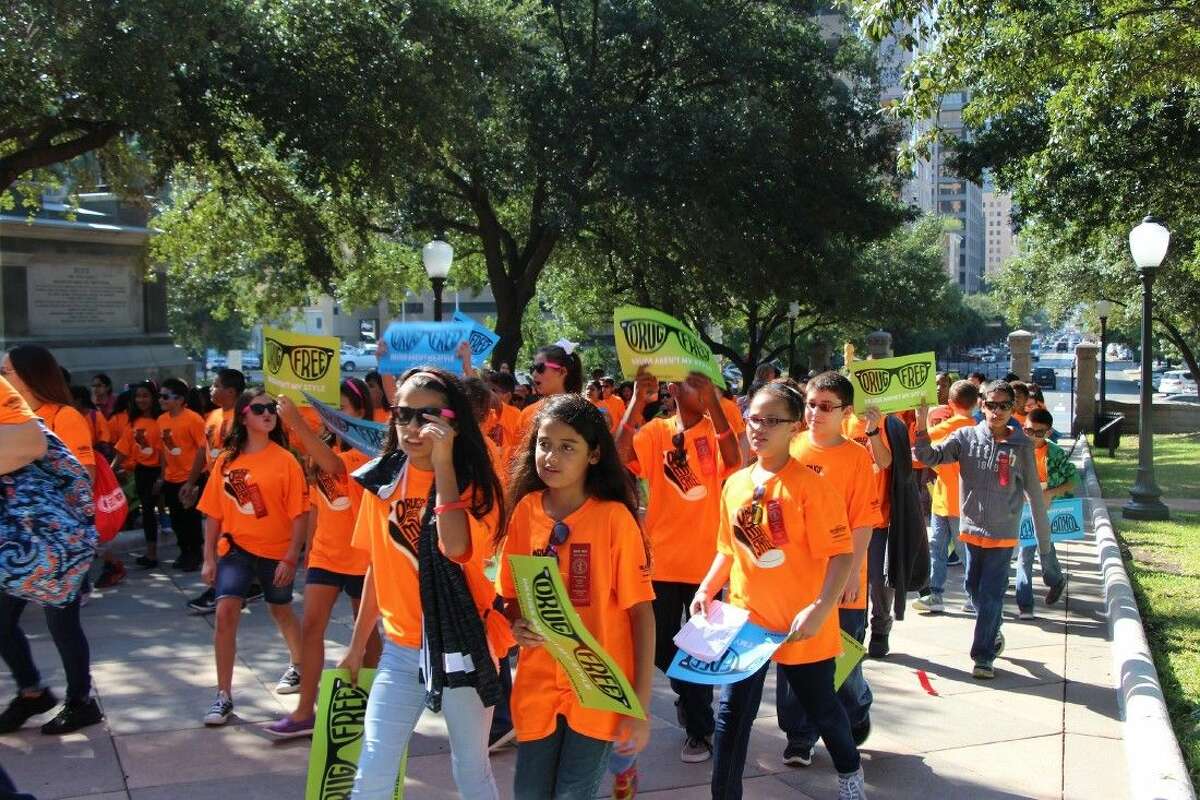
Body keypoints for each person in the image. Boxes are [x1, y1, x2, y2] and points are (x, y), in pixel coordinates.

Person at [339, 368, 511, 799]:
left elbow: (456, 548)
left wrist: (442, 466)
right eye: (403, 415)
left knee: (470, 769)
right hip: (400, 649)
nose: (413, 427)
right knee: (373, 768)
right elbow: (378, 566)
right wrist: (358, 645)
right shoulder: (380, 481)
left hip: (463, 644)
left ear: (453, 420)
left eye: (428, 415)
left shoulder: (478, 483)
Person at [691, 379, 865, 799]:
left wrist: (822, 606)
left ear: (794, 427)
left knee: (823, 709)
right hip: (747, 622)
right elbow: (726, 549)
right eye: (754, 418)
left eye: (773, 421)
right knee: (731, 717)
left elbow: (841, 554)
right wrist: (706, 588)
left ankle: (849, 772)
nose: (760, 428)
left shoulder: (811, 486)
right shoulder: (735, 484)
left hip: (802, 624)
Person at [497, 395, 655, 800]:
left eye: (568, 447)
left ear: (594, 454)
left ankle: (624, 772)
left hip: (598, 687)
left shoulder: (614, 519)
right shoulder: (526, 511)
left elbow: (641, 614)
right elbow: (511, 594)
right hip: (537, 686)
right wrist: (516, 622)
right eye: (544, 444)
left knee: (573, 793)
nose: (551, 456)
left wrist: (639, 707)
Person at [612, 367, 741, 782]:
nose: (699, 388)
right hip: (662, 561)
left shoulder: (721, 421)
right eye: (690, 382)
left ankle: (700, 731)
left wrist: (714, 405)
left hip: (710, 563)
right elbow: (618, 457)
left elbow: (735, 461)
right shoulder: (655, 431)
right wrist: (635, 401)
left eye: (704, 382)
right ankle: (691, 696)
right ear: (671, 389)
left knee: (703, 650)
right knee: (661, 648)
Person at [914, 381, 1069, 679]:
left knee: (991, 593)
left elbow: (1035, 496)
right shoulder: (965, 437)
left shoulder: (1022, 445)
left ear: (1013, 409)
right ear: (981, 405)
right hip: (971, 529)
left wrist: (1045, 545)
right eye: (991, 405)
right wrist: (922, 423)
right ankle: (993, 629)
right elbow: (928, 456)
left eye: (1003, 406)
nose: (997, 411)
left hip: (1003, 533)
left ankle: (983, 656)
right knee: (973, 588)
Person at [777, 372, 882, 767]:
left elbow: (863, 523)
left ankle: (857, 709)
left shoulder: (857, 457)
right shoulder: (790, 448)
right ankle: (798, 737)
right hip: (797, 582)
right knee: (794, 661)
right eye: (810, 404)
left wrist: (853, 574)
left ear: (846, 413)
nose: (815, 413)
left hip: (844, 582)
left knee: (844, 665)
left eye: (825, 406)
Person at [267, 380, 383, 738]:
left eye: (343, 409)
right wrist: (309, 549)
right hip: (325, 557)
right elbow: (318, 502)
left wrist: (297, 424)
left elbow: (333, 467)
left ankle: (373, 704)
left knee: (366, 637)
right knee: (311, 628)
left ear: (360, 412)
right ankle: (305, 711)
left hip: (361, 558)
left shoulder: (368, 450)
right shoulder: (320, 449)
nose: (334, 417)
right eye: (330, 410)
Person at [0, 374, 104, 736]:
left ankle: (81, 701)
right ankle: (32, 692)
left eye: (10, 371)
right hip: (16, 545)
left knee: (62, 623)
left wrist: (79, 529)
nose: (6, 376)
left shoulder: (57, 417)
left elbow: (80, 473)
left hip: (52, 541)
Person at [197, 390, 308, 724]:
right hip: (234, 550)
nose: (268, 413)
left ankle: (299, 665)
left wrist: (291, 557)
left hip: (276, 552)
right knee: (226, 611)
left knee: (280, 609)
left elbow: (300, 514)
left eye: (271, 408)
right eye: (259, 408)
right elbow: (213, 514)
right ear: (243, 416)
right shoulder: (226, 462)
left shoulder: (286, 460)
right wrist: (208, 558)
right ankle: (223, 695)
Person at [188, 369, 256, 614]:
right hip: (213, 481)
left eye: (216, 385)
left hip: (235, 486)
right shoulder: (213, 416)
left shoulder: (244, 418)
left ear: (231, 391)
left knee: (229, 539)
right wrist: (191, 481)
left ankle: (225, 588)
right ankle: (230, 588)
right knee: (218, 536)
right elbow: (202, 450)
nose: (211, 390)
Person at [912, 380, 980, 614]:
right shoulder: (979, 428)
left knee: (938, 549)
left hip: (944, 500)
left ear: (950, 403)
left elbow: (920, 449)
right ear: (977, 402)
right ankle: (973, 596)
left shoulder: (947, 427)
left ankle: (936, 594)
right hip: (965, 501)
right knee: (965, 552)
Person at [1015, 408, 1076, 619]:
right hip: (1023, 510)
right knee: (1025, 554)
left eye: (1038, 433)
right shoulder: (1016, 450)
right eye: (1028, 431)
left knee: (1046, 552)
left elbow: (1073, 480)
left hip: (1047, 510)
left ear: (1049, 433)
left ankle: (1056, 581)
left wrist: (1051, 493)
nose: (1032, 436)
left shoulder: (1055, 453)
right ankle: (1025, 604)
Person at [157, 378, 207, 571]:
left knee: (190, 519)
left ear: (179, 399)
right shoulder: (162, 420)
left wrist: (192, 481)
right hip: (171, 478)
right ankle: (184, 551)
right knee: (177, 519)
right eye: (160, 396)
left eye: (165, 396)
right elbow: (163, 450)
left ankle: (195, 553)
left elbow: (202, 450)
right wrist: (162, 476)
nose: (160, 400)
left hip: (190, 478)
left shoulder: (193, 419)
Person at [115, 382, 164, 567]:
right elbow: (123, 448)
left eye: (145, 396)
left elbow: (164, 452)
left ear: (153, 398)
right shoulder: (133, 422)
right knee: (147, 512)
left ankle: (154, 554)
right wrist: (111, 469)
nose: (141, 400)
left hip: (157, 472)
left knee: (150, 512)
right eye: (138, 396)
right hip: (140, 471)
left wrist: (161, 476)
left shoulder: (161, 421)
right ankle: (150, 553)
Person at [518, 342, 584, 437]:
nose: (534, 374)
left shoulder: (583, 414)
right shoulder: (527, 414)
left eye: (540, 368)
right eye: (532, 368)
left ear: (562, 371)